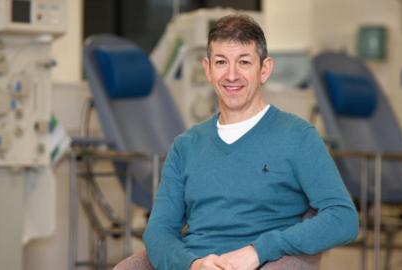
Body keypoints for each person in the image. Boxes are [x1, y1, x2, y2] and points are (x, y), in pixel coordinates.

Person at [143, 14, 359, 270]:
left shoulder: (297, 136)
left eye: (244, 62)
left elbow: (343, 218)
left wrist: (259, 251)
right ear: (208, 69)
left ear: (264, 69)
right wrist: (194, 264)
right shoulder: (185, 146)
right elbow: (158, 230)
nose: (231, 75)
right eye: (221, 62)